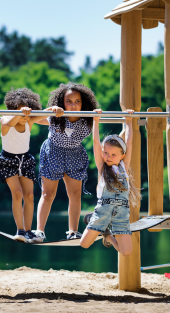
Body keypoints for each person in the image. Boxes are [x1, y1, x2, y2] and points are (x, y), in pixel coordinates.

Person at [32, 82, 99, 241]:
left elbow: (103, 128)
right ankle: (39, 231)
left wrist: (99, 115)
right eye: (69, 101)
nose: (73, 105)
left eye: (77, 101)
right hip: (53, 152)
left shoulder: (88, 118)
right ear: (62, 103)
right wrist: (50, 110)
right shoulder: (55, 117)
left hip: (75, 155)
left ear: (83, 103)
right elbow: (34, 119)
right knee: (48, 193)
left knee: (75, 194)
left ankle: (73, 232)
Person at [0, 88, 63, 243]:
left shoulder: (29, 121)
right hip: (8, 161)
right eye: (22, 114)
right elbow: (8, 121)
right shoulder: (6, 120)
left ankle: (27, 231)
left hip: (25, 160)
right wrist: (19, 113)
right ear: (14, 110)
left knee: (30, 196)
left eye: (28, 114)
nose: (26, 117)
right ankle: (19, 229)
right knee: (17, 193)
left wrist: (53, 110)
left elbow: (44, 114)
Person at [80, 109, 140, 256]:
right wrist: (96, 120)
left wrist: (129, 121)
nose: (108, 157)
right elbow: (95, 141)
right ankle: (97, 225)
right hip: (103, 210)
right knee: (84, 244)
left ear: (122, 156)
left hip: (122, 213)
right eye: (106, 153)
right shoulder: (102, 167)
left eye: (113, 155)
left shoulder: (123, 168)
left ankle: (107, 235)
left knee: (126, 252)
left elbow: (130, 142)